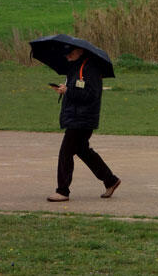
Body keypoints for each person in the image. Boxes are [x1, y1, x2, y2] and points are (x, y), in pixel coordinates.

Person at [46, 45, 121, 202]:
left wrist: (68, 91)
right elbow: (76, 89)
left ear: (80, 51)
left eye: (70, 53)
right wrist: (64, 89)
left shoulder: (90, 69)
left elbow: (91, 94)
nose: (67, 56)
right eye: (66, 54)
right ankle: (110, 180)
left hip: (83, 119)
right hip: (76, 117)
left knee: (65, 152)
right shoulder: (74, 68)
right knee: (83, 151)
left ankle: (62, 191)